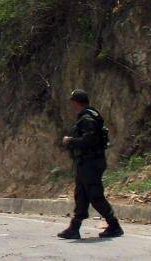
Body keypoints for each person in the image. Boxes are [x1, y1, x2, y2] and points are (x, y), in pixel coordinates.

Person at [57, 89, 123, 239]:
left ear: (75, 102)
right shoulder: (89, 115)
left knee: (95, 195)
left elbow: (90, 140)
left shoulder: (87, 118)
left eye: (72, 102)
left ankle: (114, 225)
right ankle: (74, 228)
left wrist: (70, 141)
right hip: (86, 163)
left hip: (91, 163)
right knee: (81, 195)